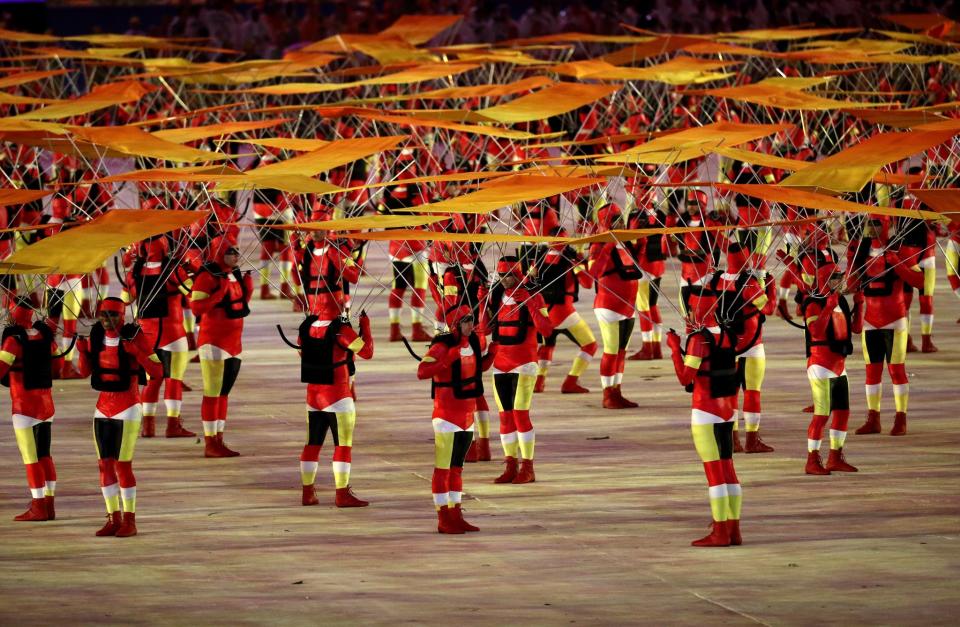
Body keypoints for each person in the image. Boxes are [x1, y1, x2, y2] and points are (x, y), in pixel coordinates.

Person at [75, 298, 164, 537]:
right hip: (102, 409)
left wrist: (136, 351)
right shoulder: (96, 337)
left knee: (123, 466)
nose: (107, 320)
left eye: (112, 315)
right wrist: (82, 353)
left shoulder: (134, 336)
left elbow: (158, 371)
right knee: (104, 465)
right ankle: (113, 517)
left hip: (128, 407)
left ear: (122, 316)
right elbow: (85, 372)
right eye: (103, 315)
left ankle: (130, 519)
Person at [666, 286, 743, 547]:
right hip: (728, 411)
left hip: (705, 411)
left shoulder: (699, 341)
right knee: (728, 469)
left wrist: (676, 348)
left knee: (714, 474)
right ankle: (734, 528)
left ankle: (720, 531)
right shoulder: (728, 335)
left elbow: (685, 378)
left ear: (695, 310)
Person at [417, 306, 495, 533]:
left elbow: (477, 370)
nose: (471, 325)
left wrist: (492, 354)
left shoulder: (471, 344)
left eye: (472, 320)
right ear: (455, 324)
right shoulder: (441, 346)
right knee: (443, 469)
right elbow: (422, 371)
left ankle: (456, 513)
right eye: (466, 321)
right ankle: (443, 518)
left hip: (466, 415)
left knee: (457, 469)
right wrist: (446, 360)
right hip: (446, 415)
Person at [478, 255, 554, 484]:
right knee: (505, 417)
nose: (505, 280)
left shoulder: (535, 296)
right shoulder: (497, 297)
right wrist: (482, 303)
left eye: (508, 275)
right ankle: (510, 464)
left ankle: (528, 467)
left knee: (521, 415)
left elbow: (547, 330)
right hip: (500, 363)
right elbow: (484, 330)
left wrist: (530, 302)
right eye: (501, 275)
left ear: (518, 273)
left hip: (525, 363)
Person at [296, 302, 373, 508]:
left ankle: (307, 491)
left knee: (312, 443)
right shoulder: (341, 331)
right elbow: (367, 351)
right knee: (343, 445)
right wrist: (365, 326)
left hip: (313, 396)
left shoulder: (307, 327)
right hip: (338, 396)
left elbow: (302, 352)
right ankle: (341, 493)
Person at [852, 218, 925, 436]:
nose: (871, 228)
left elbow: (920, 282)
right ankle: (873, 417)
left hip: (895, 320)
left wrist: (897, 262)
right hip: (870, 321)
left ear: (886, 227)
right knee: (871, 372)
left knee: (896, 370)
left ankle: (900, 418)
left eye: (876, 223)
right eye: (869, 223)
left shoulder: (901, 251)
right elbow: (851, 284)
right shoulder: (861, 254)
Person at [123, 236, 194, 438]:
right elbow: (192, 292)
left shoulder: (134, 273)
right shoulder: (173, 270)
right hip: (173, 334)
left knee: (152, 380)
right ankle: (173, 424)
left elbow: (124, 300)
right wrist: (193, 273)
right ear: (164, 247)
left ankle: (148, 426)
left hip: (147, 336)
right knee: (174, 380)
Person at [189, 239, 253, 457]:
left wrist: (248, 289)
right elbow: (196, 307)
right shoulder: (206, 276)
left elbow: (239, 306)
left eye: (237, 251)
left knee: (223, 394)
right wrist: (219, 293)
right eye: (230, 252)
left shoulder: (234, 274)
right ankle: (209, 442)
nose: (236, 255)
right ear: (218, 253)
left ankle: (219, 438)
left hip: (235, 343)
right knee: (212, 393)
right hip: (213, 342)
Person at [710, 242, 775, 453]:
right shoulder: (749, 284)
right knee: (752, 392)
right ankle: (752, 439)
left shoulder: (716, 280)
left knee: (731, 393)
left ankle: (733, 440)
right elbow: (769, 308)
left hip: (726, 346)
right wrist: (771, 287)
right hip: (752, 345)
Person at [799, 262, 863, 474]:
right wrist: (828, 306)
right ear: (826, 278)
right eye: (836, 276)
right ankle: (812, 460)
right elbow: (815, 332)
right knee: (822, 414)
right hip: (820, 365)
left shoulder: (841, 300)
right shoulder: (813, 303)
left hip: (839, 365)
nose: (840, 280)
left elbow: (856, 328)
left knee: (843, 412)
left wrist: (860, 305)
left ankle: (835, 456)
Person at [0, 298, 60, 522]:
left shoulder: (13, 342)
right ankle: (50, 503)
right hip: (46, 405)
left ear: (15, 315)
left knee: (30, 458)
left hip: (23, 407)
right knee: (45, 454)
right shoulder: (44, 336)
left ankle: (38, 506)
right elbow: (57, 360)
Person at [589, 206, 640, 409]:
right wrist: (608, 246)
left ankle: (617, 390)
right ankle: (607, 393)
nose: (620, 222)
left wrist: (639, 238)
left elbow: (639, 264)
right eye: (615, 219)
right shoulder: (598, 244)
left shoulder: (625, 242)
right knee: (611, 351)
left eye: (621, 218)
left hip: (628, 305)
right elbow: (592, 273)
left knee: (621, 351)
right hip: (608, 305)